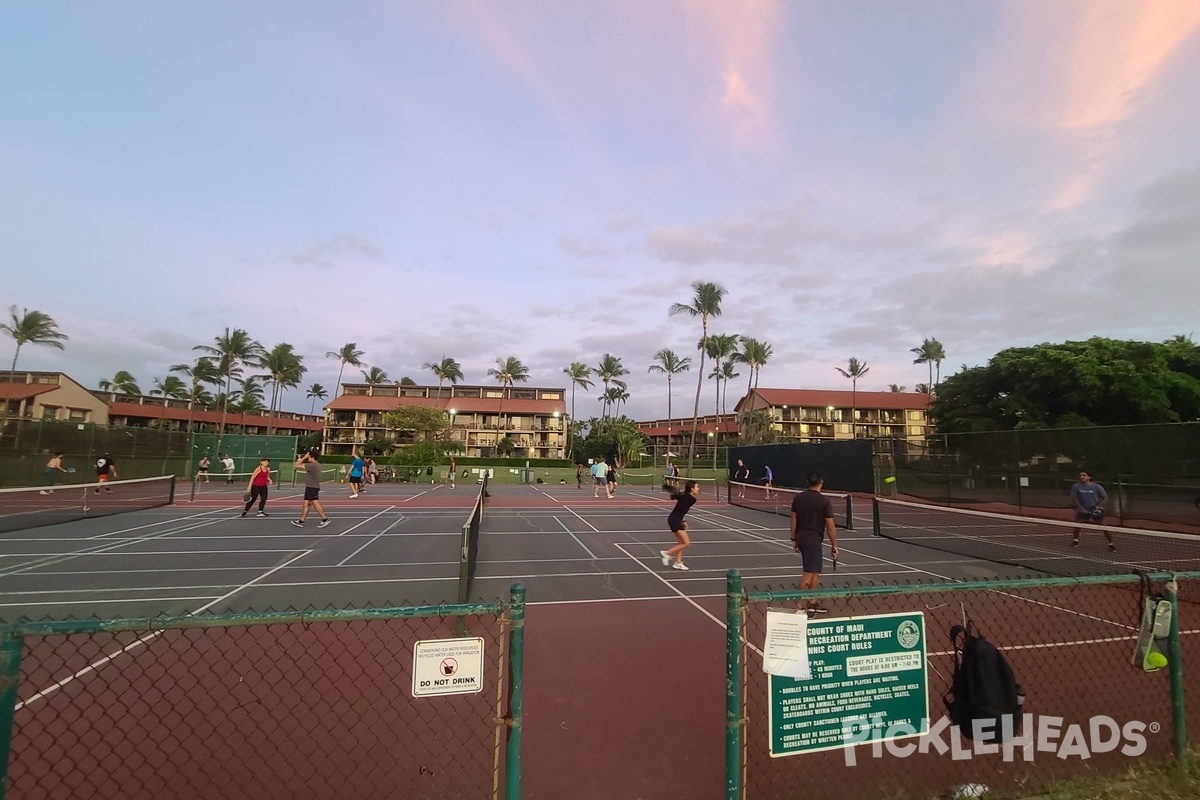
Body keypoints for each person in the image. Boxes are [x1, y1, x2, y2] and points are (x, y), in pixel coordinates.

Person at [790, 472, 840, 615]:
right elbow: (830, 526)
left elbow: (793, 519)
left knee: (815, 571)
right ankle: (798, 605)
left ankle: (812, 601)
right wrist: (834, 545)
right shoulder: (824, 501)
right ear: (821, 483)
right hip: (812, 540)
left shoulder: (798, 498)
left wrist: (793, 538)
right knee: (809, 573)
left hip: (803, 538)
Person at [1070, 470, 1115, 552]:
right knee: (1077, 526)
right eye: (1080, 475)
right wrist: (1080, 508)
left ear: (1089, 477)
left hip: (1094, 510)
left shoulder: (1097, 486)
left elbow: (1105, 497)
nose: (1081, 477)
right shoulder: (1076, 486)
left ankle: (1111, 544)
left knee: (1105, 527)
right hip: (1082, 510)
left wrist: (1097, 506)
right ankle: (1075, 540)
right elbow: (1074, 498)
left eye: (1084, 475)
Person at [660, 480, 699, 571]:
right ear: (692, 489)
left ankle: (678, 563)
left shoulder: (684, 496)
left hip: (674, 519)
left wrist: (683, 521)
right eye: (696, 487)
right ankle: (667, 553)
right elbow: (682, 509)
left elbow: (681, 510)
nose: (698, 489)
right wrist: (681, 521)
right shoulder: (691, 499)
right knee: (686, 543)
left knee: (681, 542)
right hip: (675, 520)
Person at [292, 450, 331, 528]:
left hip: (312, 487)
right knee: (306, 504)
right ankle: (301, 520)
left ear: (312, 457)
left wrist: (304, 457)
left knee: (315, 503)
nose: (308, 458)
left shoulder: (313, 465)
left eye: (309, 457)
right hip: (310, 487)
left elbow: (296, 465)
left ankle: (325, 519)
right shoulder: (313, 465)